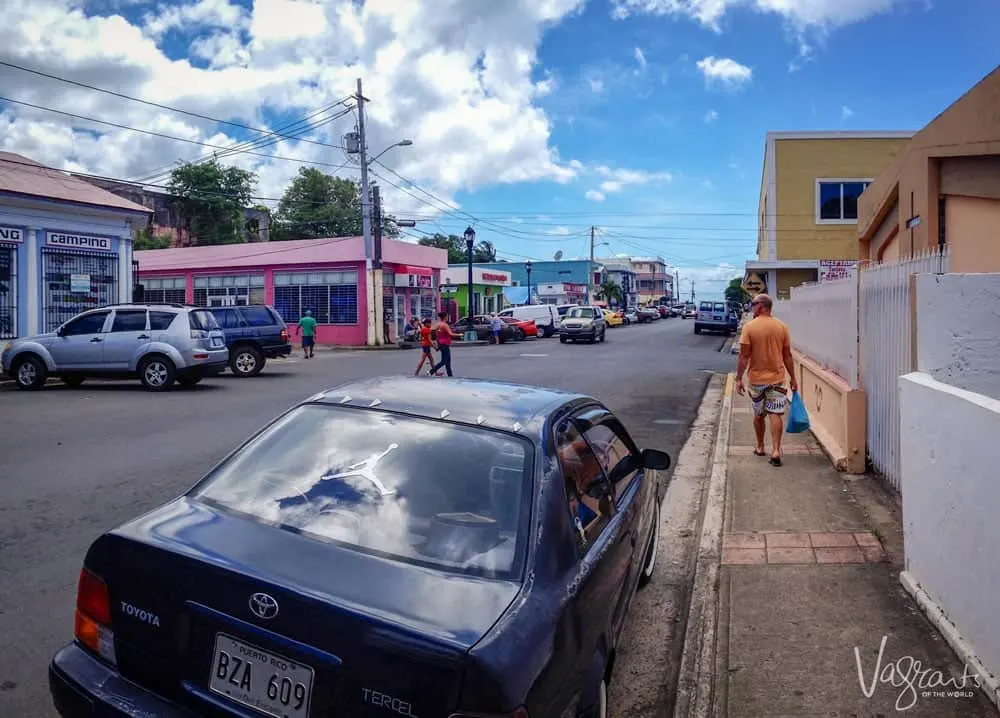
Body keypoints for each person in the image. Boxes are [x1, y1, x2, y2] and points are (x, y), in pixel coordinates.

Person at [735, 293, 797, 467]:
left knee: (759, 415)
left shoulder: (750, 327)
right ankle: (776, 450)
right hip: (777, 378)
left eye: (753, 304)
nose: (752, 307)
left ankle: (761, 446)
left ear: (761, 306)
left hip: (756, 380)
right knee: (775, 413)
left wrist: (739, 378)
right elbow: (787, 356)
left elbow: (743, 356)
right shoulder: (782, 327)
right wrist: (793, 378)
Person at [430, 311, 458, 377]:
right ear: (445, 317)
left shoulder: (438, 324)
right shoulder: (445, 325)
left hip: (441, 343)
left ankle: (450, 375)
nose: (447, 318)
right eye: (447, 316)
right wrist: (459, 334)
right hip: (445, 344)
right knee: (444, 361)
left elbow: (432, 330)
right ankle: (431, 371)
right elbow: (450, 334)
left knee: (448, 361)